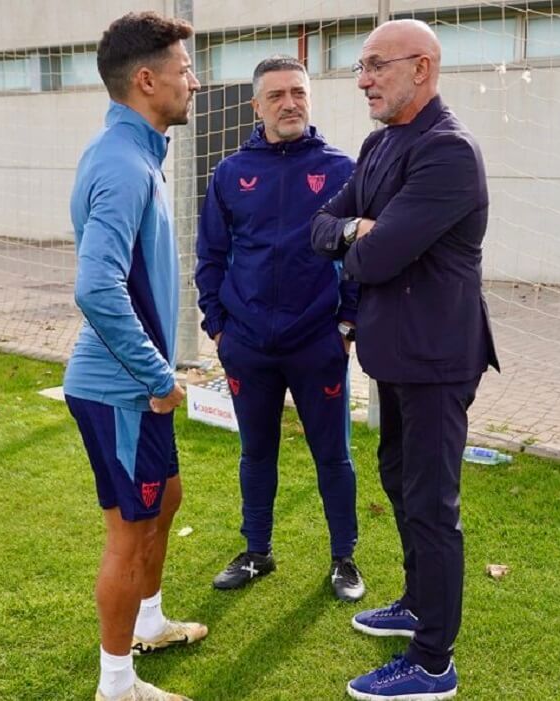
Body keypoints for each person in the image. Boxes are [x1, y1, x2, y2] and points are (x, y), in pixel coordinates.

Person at [310, 19, 500, 701]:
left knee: (430, 502)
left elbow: (376, 254)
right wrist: (359, 229)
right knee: (398, 477)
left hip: (439, 357)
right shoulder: (379, 143)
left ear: (422, 68)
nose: (362, 79)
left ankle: (432, 661)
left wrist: (361, 235)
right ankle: (419, 602)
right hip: (393, 355)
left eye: (376, 66)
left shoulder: (448, 152)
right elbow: (321, 226)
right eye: (361, 66)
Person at [63, 12, 207, 701]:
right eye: (184, 71)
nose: (194, 82)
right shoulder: (123, 164)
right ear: (146, 81)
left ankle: (149, 620)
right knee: (129, 529)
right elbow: (95, 285)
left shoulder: (134, 152)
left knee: (166, 496)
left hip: (132, 383)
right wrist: (156, 375)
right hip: (122, 387)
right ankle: (116, 684)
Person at [195, 56, 365, 602]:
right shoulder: (229, 173)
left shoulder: (341, 169)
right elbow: (211, 255)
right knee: (256, 452)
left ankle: (344, 559)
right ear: (256, 106)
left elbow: (364, 250)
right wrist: (218, 327)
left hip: (318, 342)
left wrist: (347, 322)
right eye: (276, 95)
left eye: (298, 92)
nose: (289, 103)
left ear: (310, 99)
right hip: (247, 344)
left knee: (333, 454)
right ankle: (256, 551)